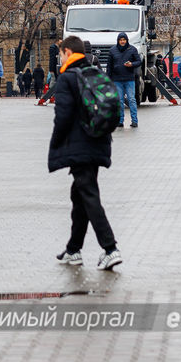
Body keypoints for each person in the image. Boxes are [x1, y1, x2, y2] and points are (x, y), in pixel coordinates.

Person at [48, 35, 122, 271]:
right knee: (79, 196)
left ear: (68, 52)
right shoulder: (94, 74)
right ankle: (73, 250)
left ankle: (110, 249)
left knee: (89, 196)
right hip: (98, 141)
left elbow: (63, 116)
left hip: (80, 146)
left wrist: (56, 144)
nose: (60, 58)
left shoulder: (67, 78)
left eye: (61, 53)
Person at [106, 32, 142, 128]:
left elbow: (139, 61)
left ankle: (134, 121)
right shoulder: (112, 50)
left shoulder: (132, 49)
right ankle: (120, 121)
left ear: (127, 40)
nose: (122, 41)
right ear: (118, 41)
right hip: (117, 79)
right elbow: (109, 66)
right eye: (121, 40)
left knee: (131, 100)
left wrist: (132, 64)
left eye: (124, 40)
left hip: (129, 79)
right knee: (119, 101)